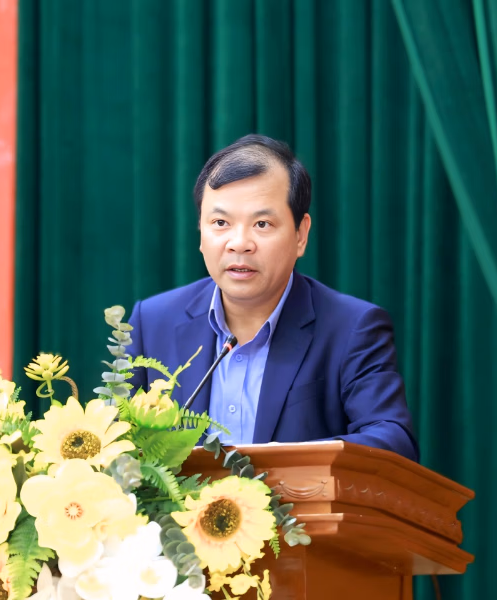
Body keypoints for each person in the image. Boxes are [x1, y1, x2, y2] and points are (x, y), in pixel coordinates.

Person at [126, 134, 418, 461]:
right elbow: (112, 442)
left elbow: (393, 441)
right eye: (220, 223)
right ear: (201, 233)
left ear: (300, 235)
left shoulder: (352, 328)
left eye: (262, 224)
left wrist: (287, 463)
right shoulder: (152, 322)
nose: (239, 243)